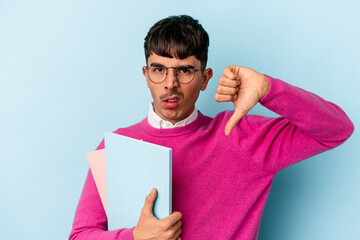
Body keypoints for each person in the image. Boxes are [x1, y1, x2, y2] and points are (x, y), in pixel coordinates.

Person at [69, 15, 354, 240]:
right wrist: (135, 237)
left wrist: (269, 88)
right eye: (159, 69)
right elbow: (80, 236)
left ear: (205, 79)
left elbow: (337, 129)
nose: (170, 83)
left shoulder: (241, 135)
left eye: (184, 70)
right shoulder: (116, 147)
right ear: (146, 75)